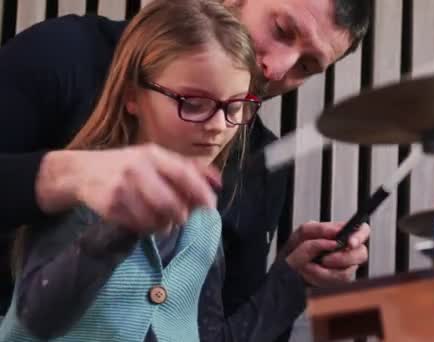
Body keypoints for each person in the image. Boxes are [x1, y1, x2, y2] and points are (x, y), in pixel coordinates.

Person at [0, 0, 372, 341]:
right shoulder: (62, 56)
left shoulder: (220, 208)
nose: (276, 68)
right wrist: (84, 190)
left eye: (307, 66)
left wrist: (294, 279)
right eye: (280, 29)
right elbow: (34, 318)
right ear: (132, 94)